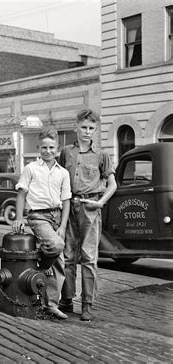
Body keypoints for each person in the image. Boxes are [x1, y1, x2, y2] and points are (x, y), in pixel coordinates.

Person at [59, 109, 117, 321]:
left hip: (90, 207)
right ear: (76, 127)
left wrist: (100, 202)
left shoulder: (101, 155)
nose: (87, 131)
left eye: (91, 128)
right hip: (69, 206)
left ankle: (87, 304)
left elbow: (112, 184)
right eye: (84, 127)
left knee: (89, 257)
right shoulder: (66, 152)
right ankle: (66, 299)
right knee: (68, 256)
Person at [12, 129, 72, 319]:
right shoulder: (31, 168)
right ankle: (40, 265)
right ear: (38, 148)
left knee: (59, 262)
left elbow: (67, 200)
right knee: (56, 246)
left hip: (57, 216)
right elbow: (21, 193)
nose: (48, 151)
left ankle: (50, 304)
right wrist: (19, 217)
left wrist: (62, 226)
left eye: (51, 147)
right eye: (44, 147)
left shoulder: (63, 173)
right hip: (38, 216)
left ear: (57, 149)